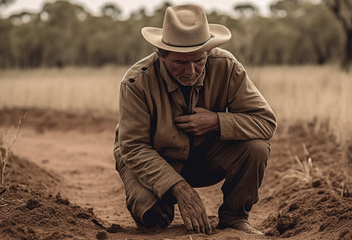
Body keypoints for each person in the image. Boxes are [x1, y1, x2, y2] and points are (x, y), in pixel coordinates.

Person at [113, 4, 277, 236]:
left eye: (198, 60)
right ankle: (161, 203)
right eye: (180, 62)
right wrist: (179, 188)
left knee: (256, 148)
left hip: (203, 157)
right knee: (152, 218)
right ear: (161, 56)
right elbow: (133, 147)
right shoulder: (136, 82)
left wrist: (217, 122)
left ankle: (234, 218)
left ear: (208, 53)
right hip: (153, 160)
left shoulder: (227, 67)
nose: (191, 70)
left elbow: (266, 122)